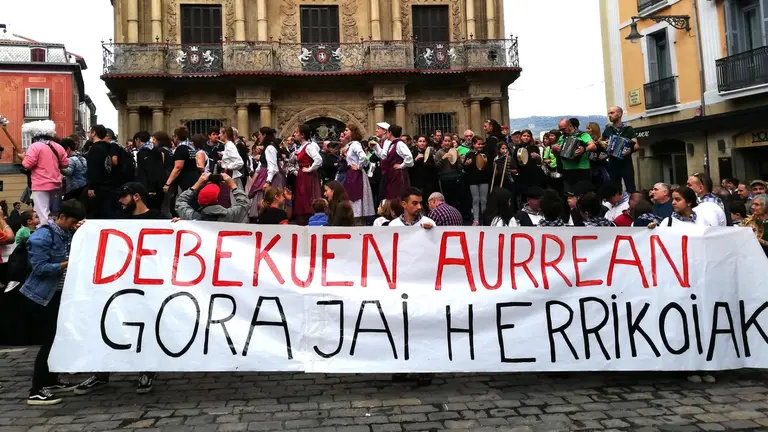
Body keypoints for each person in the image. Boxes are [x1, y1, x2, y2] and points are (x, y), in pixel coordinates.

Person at [74, 184, 160, 396]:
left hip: (147, 284)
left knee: (145, 327)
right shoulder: (118, 219)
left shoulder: (158, 217)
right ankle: (101, 372)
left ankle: (147, 370)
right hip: (118, 284)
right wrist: (87, 229)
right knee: (110, 324)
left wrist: (176, 225)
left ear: (137, 196)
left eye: (124, 196)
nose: (120, 201)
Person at [23, 199, 86, 405]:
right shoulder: (41, 237)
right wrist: (68, 263)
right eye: (72, 221)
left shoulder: (66, 233)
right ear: (61, 217)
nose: (73, 225)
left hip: (59, 295)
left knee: (58, 340)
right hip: (41, 297)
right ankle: (36, 390)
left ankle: (50, 380)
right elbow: (40, 268)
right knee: (49, 342)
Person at [21, 120, 69, 226]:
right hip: (56, 184)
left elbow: (27, 165)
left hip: (41, 184)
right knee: (50, 212)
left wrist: (23, 158)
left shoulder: (35, 146)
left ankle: (45, 234)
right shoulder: (58, 146)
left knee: (41, 213)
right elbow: (65, 164)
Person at [176, 173, 249, 222]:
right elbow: (244, 203)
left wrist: (196, 185)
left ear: (198, 201)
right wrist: (233, 185)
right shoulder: (230, 216)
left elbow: (180, 202)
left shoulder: (192, 217)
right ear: (217, 200)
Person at [341, 125, 375, 221]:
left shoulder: (355, 144)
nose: (345, 132)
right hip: (352, 173)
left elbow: (363, 157)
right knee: (352, 195)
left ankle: (357, 217)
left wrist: (359, 166)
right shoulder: (351, 145)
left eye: (347, 130)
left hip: (356, 174)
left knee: (356, 196)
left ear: (352, 132)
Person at [602, 106, 639, 193]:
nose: (609, 115)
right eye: (609, 113)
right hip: (613, 163)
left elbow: (636, 145)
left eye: (612, 113)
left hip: (626, 163)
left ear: (619, 114)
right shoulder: (608, 130)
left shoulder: (628, 129)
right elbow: (600, 141)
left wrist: (630, 150)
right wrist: (602, 144)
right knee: (615, 189)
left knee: (630, 187)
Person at [292, 124, 323, 224]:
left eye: (297, 132)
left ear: (302, 135)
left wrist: (309, 169)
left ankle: (308, 220)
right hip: (302, 175)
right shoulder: (302, 147)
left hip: (307, 176)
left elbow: (318, 159)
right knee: (301, 196)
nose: (295, 134)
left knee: (307, 196)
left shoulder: (309, 146)